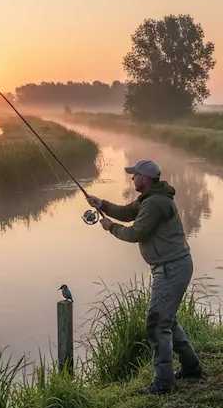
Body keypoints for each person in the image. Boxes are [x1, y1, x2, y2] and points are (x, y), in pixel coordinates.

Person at [87, 159, 203, 395]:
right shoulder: (150, 199)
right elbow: (128, 212)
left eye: (135, 175)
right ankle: (191, 368)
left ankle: (163, 383)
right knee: (167, 321)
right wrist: (102, 204)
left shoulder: (155, 204)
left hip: (171, 268)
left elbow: (135, 233)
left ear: (145, 179)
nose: (132, 178)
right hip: (172, 266)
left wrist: (110, 227)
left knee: (157, 324)